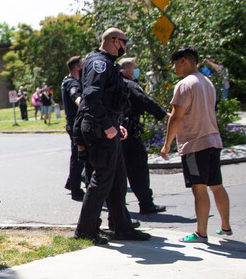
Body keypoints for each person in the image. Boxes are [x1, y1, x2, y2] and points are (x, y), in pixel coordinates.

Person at [73, 28, 151, 244]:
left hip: (108, 127)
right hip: (99, 129)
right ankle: (85, 230)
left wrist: (116, 124)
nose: (126, 46)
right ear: (115, 41)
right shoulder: (100, 63)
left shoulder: (106, 62)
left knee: (117, 180)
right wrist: (108, 125)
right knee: (101, 181)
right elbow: (91, 96)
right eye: (125, 42)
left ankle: (122, 227)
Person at [161, 46, 231, 243]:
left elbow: (176, 117)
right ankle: (225, 227)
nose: (174, 68)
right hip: (213, 140)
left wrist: (166, 145)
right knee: (216, 185)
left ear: (184, 61)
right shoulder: (207, 82)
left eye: (176, 63)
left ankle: (201, 233)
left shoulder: (185, 84)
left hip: (194, 144)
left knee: (199, 188)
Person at [118, 57, 169, 214]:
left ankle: (117, 209)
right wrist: (163, 115)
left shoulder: (114, 83)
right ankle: (146, 204)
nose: (136, 70)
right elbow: (145, 101)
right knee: (138, 168)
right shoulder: (130, 85)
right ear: (127, 70)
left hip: (116, 131)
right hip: (130, 132)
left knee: (119, 170)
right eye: (135, 67)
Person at [62, 56, 85, 201]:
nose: (84, 68)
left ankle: (72, 183)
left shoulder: (69, 81)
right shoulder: (71, 83)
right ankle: (76, 190)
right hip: (76, 123)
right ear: (76, 67)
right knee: (78, 157)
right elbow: (76, 97)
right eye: (82, 65)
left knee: (77, 156)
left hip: (74, 123)